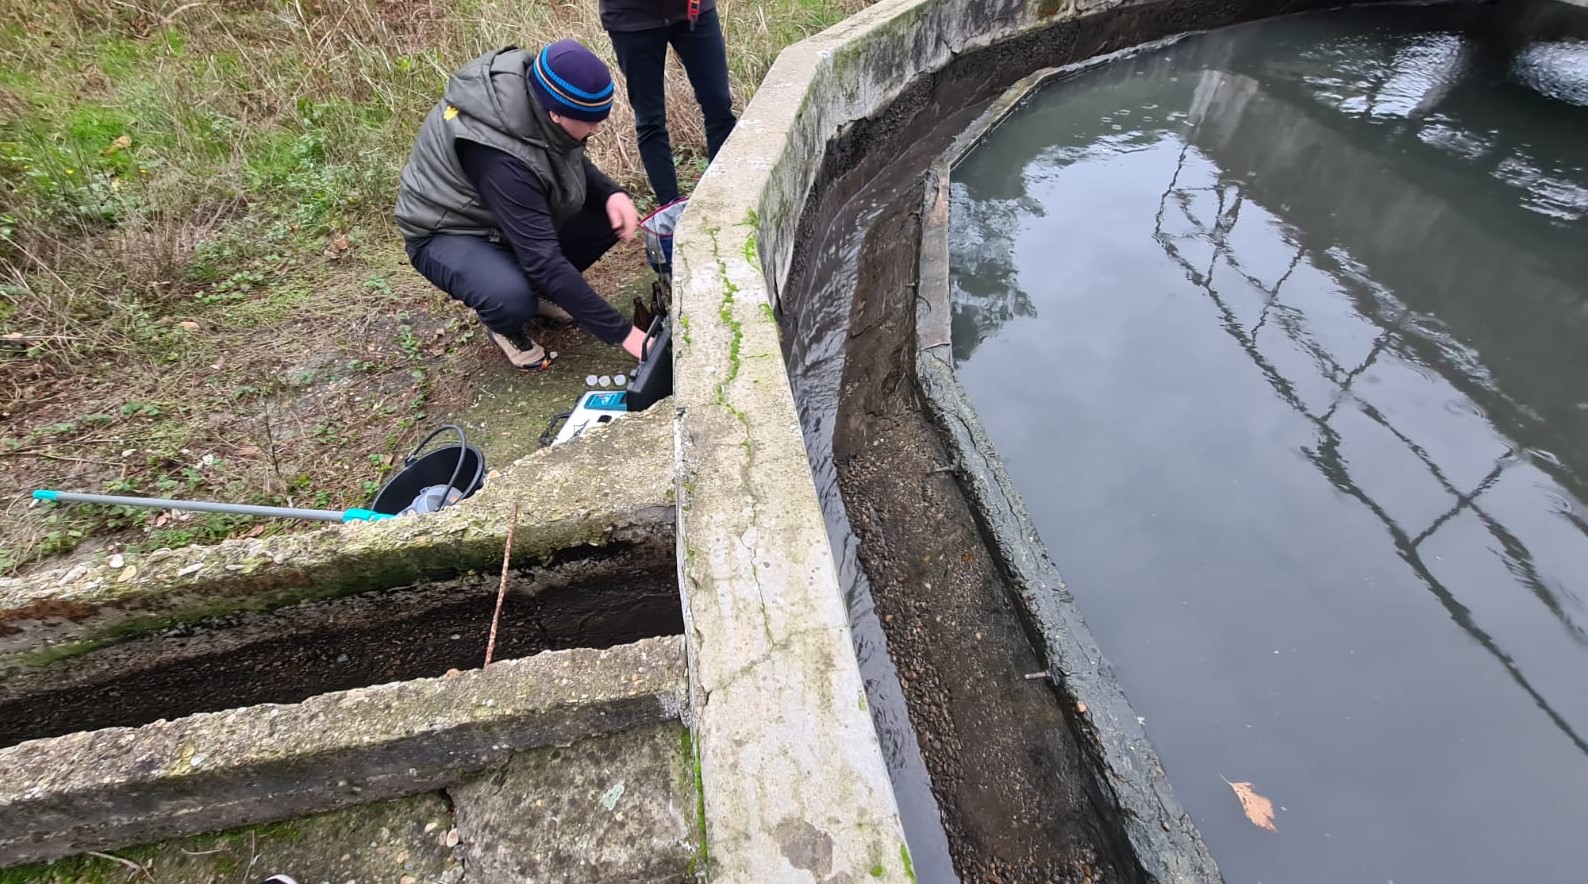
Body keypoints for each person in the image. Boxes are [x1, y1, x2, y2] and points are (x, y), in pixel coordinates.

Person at [395, 40, 646, 371]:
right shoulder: (498, 157)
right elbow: (543, 259)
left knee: (607, 212)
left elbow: (561, 154)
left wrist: (612, 193)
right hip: (447, 231)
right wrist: (625, 335)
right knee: (511, 299)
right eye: (589, 122)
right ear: (555, 113)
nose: (596, 129)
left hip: (502, 215)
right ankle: (504, 323)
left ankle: (535, 292)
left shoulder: (540, 98)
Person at [601, 0, 737, 206]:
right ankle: (671, 211)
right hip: (632, 19)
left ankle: (721, 197)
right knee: (650, 120)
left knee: (719, 105)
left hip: (695, 9)